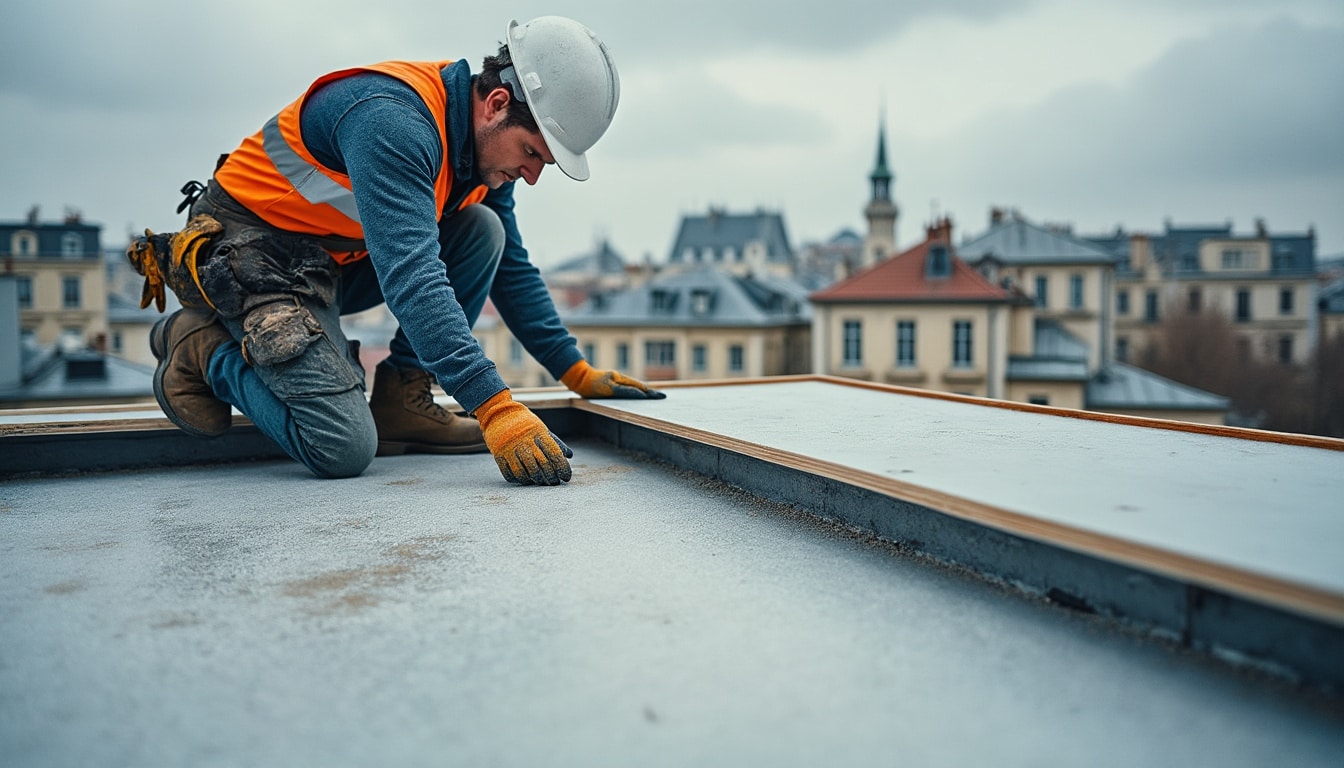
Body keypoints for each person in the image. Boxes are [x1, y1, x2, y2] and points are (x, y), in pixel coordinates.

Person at [127, 16, 664, 485]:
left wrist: (573, 371)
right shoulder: (392, 121)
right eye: (531, 153)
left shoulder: (479, 155)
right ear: (497, 104)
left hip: (330, 264)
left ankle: (402, 400)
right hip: (255, 255)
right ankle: (199, 346)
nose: (531, 175)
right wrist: (494, 407)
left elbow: (511, 270)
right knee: (341, 448)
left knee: (484, 232)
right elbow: (413, 276)